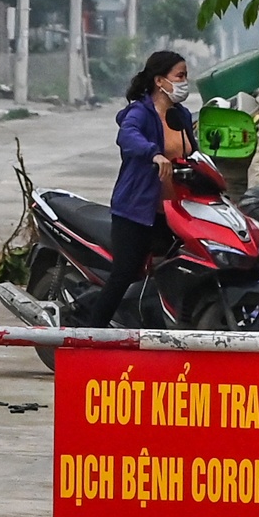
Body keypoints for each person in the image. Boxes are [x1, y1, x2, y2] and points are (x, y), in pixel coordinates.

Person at [79, 49, 196, 328]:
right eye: (179, 76)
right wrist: (153, 154)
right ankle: (89, 337)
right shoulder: (140, 113)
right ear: (159, 80)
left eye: (186, 76)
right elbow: (127, 136)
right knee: (125, 273)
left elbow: (195, 154)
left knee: (181, 270)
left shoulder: (182, 116)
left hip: (174, 212)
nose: (184, 82)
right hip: (136, 211)